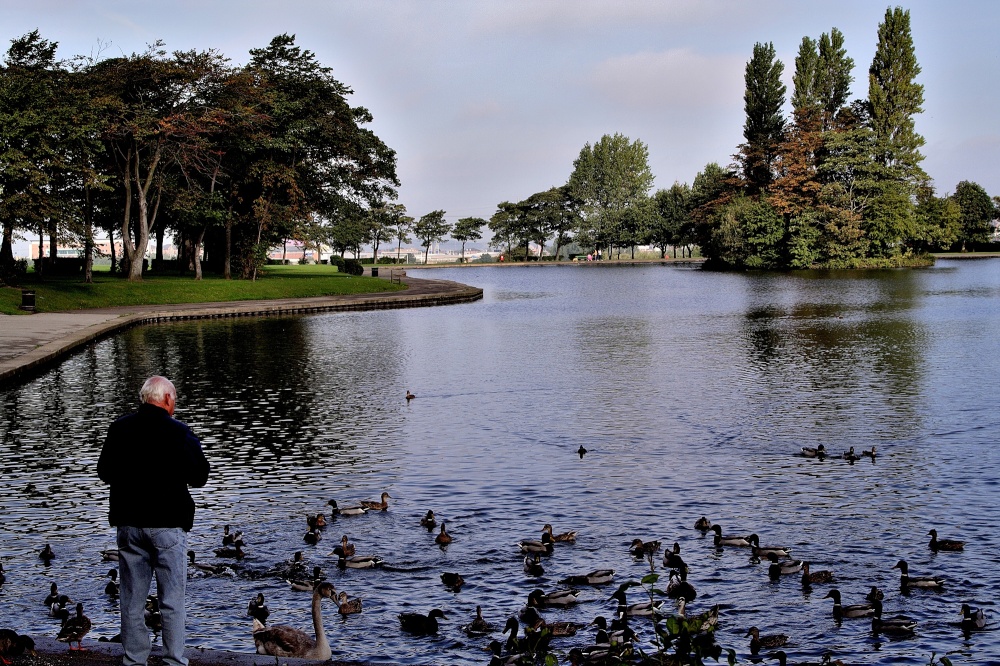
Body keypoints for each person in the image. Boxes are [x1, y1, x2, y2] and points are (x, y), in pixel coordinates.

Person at [97, 376, 210, 666]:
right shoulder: (179, 432)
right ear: (168, 399)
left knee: (132, 599)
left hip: (129, 523)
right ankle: (173, 660)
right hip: (167, 524)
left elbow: (104, 472)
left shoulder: (119, 428)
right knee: (171, 599)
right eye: (175, 400)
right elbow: (200, 476)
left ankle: (135, 660)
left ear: (144, 398)